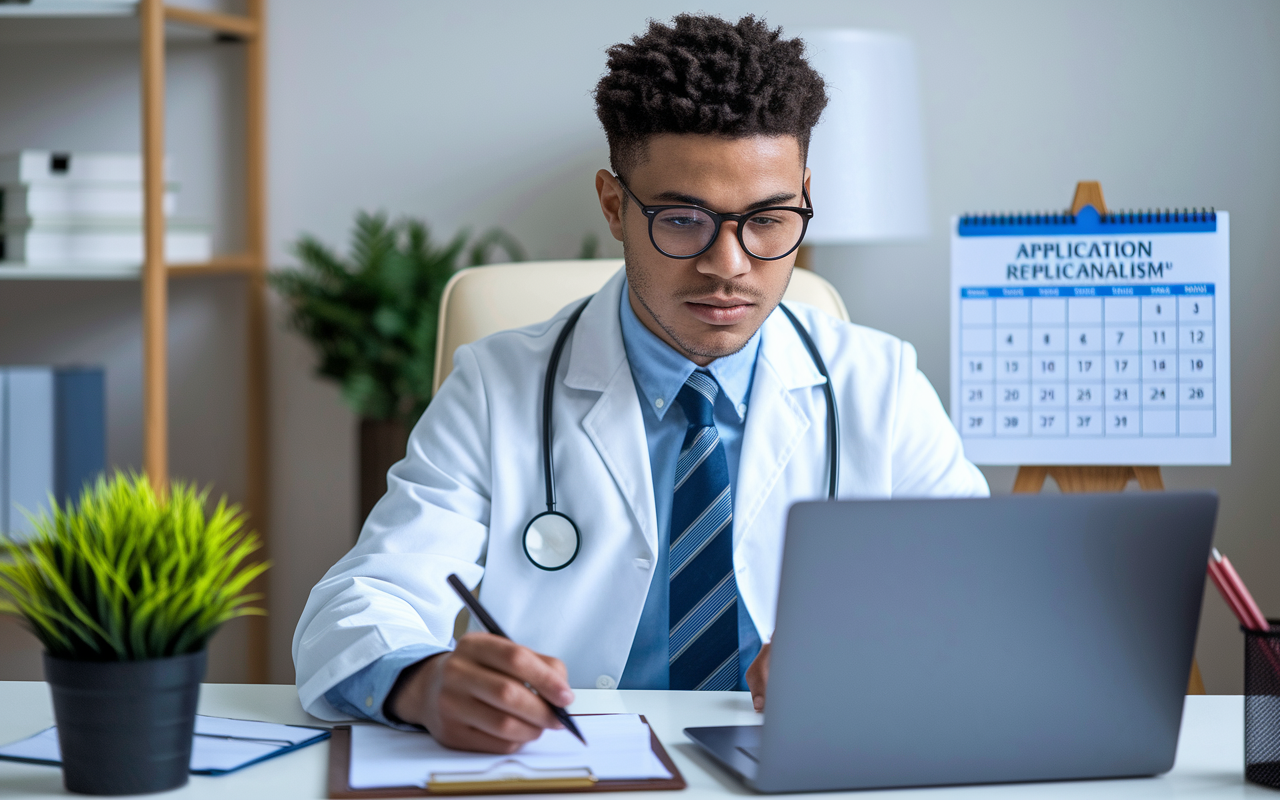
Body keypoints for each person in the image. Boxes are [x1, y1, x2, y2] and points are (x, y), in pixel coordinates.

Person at [293, 13, 988, 755]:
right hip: (570, 766)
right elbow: (364, 600)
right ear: (615, 204)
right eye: (684, 219)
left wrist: (884, 650)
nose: (730, 263)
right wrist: (421, 682)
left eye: (768, 218)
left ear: (806, 195)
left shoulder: (880, 383)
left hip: (806, 757)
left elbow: (983, 595)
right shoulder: (498, 387)